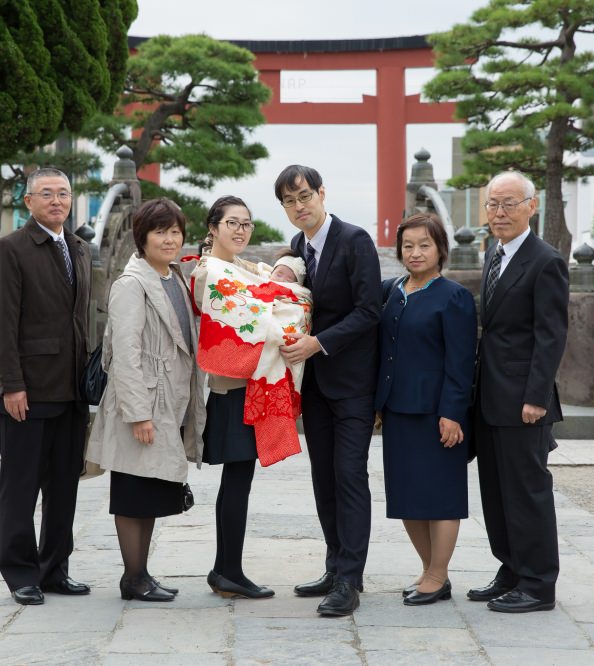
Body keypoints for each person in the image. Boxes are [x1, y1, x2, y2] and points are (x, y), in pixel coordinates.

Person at [86, 198, 206, 603]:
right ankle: (132, 577)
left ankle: (141, 574)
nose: (170, 239)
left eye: (175, 231)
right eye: (160, 231)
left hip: (167, 402)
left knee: (151, 489)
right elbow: (125, 351)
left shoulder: (175, 278)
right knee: (133, 490)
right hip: (141, 404)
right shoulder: (130, 284)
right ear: (142, 237)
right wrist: (138, 413)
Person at [276, 164, 381, 617]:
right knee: (323, 477)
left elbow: (369, 309)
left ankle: (350, 579)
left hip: (353, 382)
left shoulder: (355, 240)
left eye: (304, 197)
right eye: (289, 201)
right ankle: (334, 563)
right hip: (314, 383)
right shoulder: (298, 247)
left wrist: (320, 342)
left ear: (322, 193)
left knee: (349, 475)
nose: (299, 207)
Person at [0, 167, 91, 606]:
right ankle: (20, 573)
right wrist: (12, 385)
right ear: (27, 201)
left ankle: (54, 569)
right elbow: (2, 322)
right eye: (46, 193)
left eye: (63, 193)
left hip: (71, 389)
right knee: (21, 485)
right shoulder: (11, 249)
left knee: (64, 485)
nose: (56, 200)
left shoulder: (80, 249)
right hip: (26, 390)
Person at [470, 170, 569, 613]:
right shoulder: (493, 253)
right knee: (495, 491)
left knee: (527, 492)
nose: (499, 212)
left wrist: (536, 397)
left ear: (532, 206)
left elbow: (551, 336)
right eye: (493, 203)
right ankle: (510, 569)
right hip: (489, 396)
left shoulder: (545, 260)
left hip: (523, 401)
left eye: (509, 203)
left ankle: (538, 583)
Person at [374, 213, 477, 606]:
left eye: (424, 245)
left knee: (440, 496)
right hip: (397, 410)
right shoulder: (392, 290)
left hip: (437, 414)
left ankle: (439, 574)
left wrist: (453, 413)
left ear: (440, 250)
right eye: (408, 245)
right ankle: (429, 569)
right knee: (406, 497)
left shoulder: (453, 296)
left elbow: (461, 361)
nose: (415, 253)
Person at [190, 196, 275, 600]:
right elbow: (257, 313)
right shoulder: (210, 271)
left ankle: (226, 568)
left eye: (246, 223)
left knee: (240, 479)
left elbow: (275, 283)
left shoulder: (243, 268)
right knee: (237, 480)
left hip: (251, 386)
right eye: (231, 223)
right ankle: (228, 570)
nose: (240, 230)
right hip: (231, 389)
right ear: (212, 227)